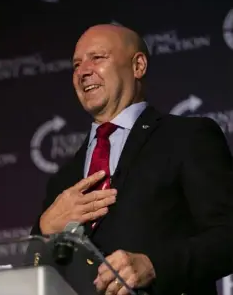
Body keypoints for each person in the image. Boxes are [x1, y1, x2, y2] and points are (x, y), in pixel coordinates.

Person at [30, 24, 233, 295]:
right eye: (76, 64)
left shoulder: (186, 138)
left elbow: (228, 235)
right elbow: (34, 274)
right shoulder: (64, 178)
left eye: (97, 58)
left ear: (138, 66)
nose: (83, 71)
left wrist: (155, 265)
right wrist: (43, 229)